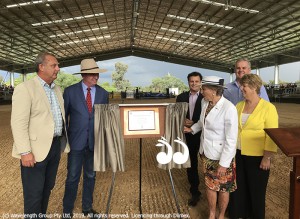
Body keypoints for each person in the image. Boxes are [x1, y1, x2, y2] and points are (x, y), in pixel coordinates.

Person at [11, 52, 70, 218]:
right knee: (33, 193)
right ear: (41, 67)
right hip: (34, 151)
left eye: (57, 65)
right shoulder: (25, 88)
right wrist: (24, 151)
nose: (58, 69)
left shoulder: (57, 89)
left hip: (54, 146)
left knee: (47, 187)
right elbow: (18, 123)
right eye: (54, 65)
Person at [184, 76, 238, 219]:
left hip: (221, 157)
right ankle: (212, 213)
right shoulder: (204, 102)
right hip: (206, 153)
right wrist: (192, 129)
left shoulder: (229, 108)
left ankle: (221, 215)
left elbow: (231, 139)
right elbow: (203, 123)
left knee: (223, 188)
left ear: (214, 90)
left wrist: (224, 163)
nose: (201, 91)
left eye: (204, 88)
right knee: (210, 186)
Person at [62, 58, 109, 219]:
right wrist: (65, 141)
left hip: (94, 143)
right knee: (72, 177)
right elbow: (64, 118)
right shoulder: (70, 92)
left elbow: (105, 120)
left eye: (97, 74)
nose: (96, 77)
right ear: (84, 75)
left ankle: (87, 208)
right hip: (76, 143)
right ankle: (67, 211)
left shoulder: (103, 93)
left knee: (91, 176)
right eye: (93, 74)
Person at [228, 74, 278, 219]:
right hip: (237, 154)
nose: (242, 89)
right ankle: (238, 215)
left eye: (244, 86)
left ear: (254, 87)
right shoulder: (239, 105)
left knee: (256, 191)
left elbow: (271, 135)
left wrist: (267, 157)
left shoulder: (268, 108)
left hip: (258, 157)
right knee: (238, 189)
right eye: (241, 85)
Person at [176, 71, 203, 206]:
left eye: (196, 81)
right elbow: (176, 115)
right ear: (188, 82)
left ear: (200, 82)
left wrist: (194, 123)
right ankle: (195, 192)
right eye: (191, 81)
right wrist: (182, 121)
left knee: (206, 162)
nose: (194, 83)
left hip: (203, 135)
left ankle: (211, 188)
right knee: (191, 163)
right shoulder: (180, 97)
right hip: (188, 135)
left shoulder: (206, 97)